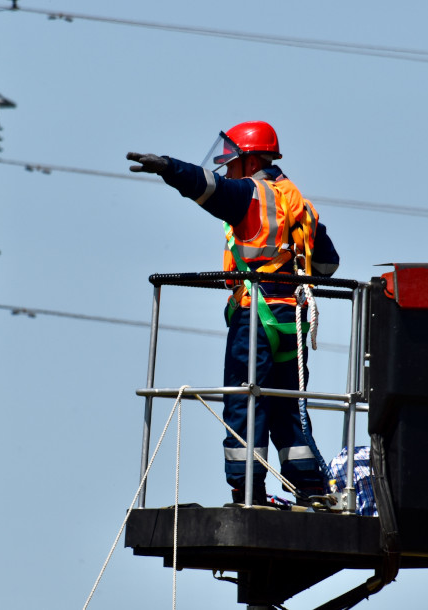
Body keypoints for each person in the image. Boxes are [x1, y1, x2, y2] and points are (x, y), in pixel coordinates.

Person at [126, 121, 340, 506]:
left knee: (245, 402)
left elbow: (210, 188)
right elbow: (327, 265)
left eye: (232, 161)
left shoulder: (251, 194)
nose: (226, 169)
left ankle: (248, 493)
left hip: (255, 316)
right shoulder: (298, 201)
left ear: (251, 160)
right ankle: (310, 489)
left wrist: (169, 167)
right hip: (294, 318)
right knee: (287, 406)